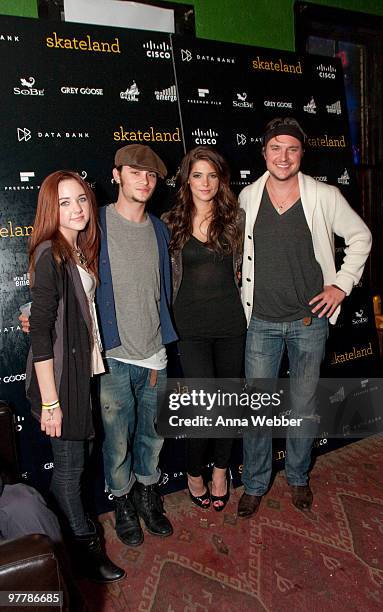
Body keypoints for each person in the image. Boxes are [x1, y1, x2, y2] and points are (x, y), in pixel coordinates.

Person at [237, 117, 372, 516]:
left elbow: (361, 236)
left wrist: (341, 285)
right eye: (275, 148)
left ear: (301, 154)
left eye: (292, 148)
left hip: (308, 322)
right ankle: (255, 483)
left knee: (302, 405)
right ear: (264, 153)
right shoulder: (248, 196)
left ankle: (297, 477)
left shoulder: (323, 195)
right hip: (260, 322)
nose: (283, 156)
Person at [25, 171, 125, 582]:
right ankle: (85, 552)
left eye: (81, 199)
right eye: (65, 202)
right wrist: (51, 402)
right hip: (60, 381)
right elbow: (44, 335)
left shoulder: (76, 251)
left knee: (77, 465)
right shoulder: (52, 253)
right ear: (52, 208)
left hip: (80, 374)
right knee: (69, 472)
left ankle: (56, 543)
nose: (77, 209)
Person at [96, 145, 177, 545]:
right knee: (117, 441)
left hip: (155, 354)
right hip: (112, 357)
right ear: (116, 175)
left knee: (154, 434)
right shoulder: (94, 223)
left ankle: (147, 492)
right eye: (135, 172)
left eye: (151, 176)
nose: (144, 181)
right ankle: (123, 501)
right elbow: (64, 269)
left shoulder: (160, 229)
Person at [163, 146, 246, 511]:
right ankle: (193, 471)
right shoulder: (170, 222)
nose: (205, 182)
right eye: (197, 175)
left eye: (212, 175)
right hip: (190, 329)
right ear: (186, 180)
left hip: (232, 324)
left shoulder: (237, 219)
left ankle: (219, 471)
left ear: (221, 179)